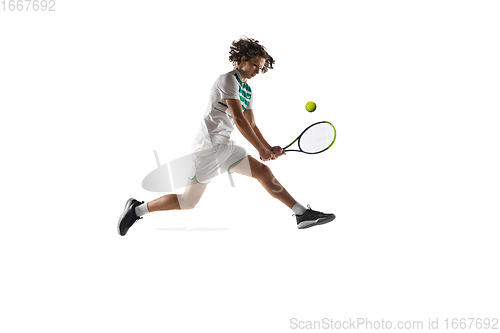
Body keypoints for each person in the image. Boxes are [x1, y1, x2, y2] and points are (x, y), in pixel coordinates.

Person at [118, 37, 335, 236]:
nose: (257, 71)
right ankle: (136, 210)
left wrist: (268, 147)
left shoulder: (247, 90)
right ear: (242, 60)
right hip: (208, 148)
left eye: (260, 68)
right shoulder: (228, 80)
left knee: (263, 171)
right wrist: (260, 150)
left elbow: (251, 124)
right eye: (254, 65)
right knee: (188, 201)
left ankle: (301, 214)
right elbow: (239, 120)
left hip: (225, 146)